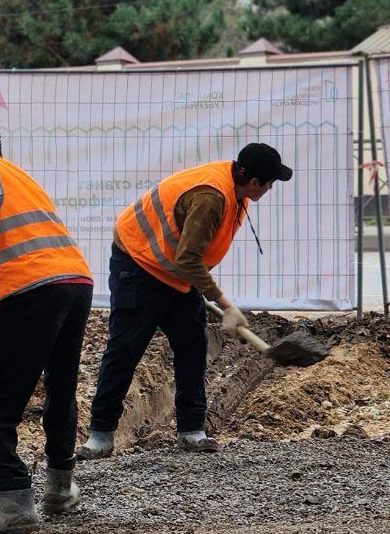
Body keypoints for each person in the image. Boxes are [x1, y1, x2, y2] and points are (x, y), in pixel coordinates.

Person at [77, 143, 293, 459]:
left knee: (192, 346)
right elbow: (189, 260)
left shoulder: (236, 189)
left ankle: (192, 431)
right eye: (270, 182)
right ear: (253, 181)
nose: (271, 188)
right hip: (138, 265)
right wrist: (226, 305)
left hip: (176, 273)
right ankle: (100, 435)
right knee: (125, 349)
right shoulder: (211, 197)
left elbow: (189, 261)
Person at [0, 104, 94, 534]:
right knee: (60, 386)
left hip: (26, 289)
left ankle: (14, 505)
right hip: (74, 280)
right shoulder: (16, 173)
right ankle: (60, 490)